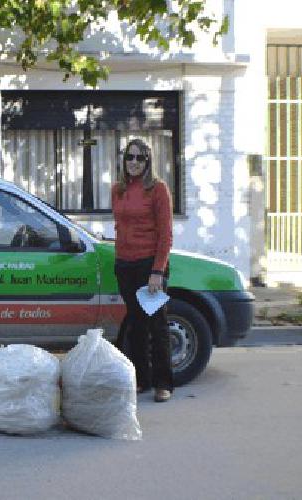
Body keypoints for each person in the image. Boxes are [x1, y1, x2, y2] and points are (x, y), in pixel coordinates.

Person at [111, 138, 174, 403]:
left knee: (156, 326)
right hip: (125, 265)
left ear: (148, 162)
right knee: (136, 326)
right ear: (124, 161)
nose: (134, 163)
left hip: (150, 266)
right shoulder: (118, 189)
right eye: (130, 157)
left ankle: (163, 383)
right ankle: (142, 380)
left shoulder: (157, 189)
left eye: (140, 158)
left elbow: (166, 234)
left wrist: (157, 271)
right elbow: (120, 226)